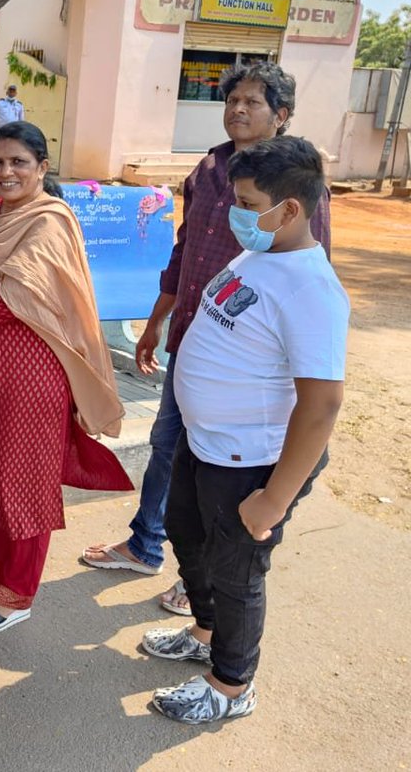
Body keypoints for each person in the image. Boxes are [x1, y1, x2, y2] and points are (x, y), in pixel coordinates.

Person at [80, 62, 332, 615]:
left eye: (253, 102)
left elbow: (310, 279)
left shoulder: (295, 190)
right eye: (232, 100)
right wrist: (155, 321)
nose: (238, 110)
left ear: (282, 115)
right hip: (192, 338)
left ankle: (209, 588)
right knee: (169, 452)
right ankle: (149, 547)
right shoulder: (210, 167)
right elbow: (184, 248)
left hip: (243, 367)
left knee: (225, 483)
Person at [144, 136, 348, 724]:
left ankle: (231, 685)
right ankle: (205, 633)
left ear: (289, 210)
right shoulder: (259, 254)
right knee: (186, 533)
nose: (235, 212)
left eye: (247, 201)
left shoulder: (312, 289)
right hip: (205, 444)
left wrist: (274, 498)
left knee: (237, 574)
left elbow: (323, 404)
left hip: (250, 464)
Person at [0, 122, 132, 634]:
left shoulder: (49, 221)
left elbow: (20, 300)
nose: (6, 172)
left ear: (42, 168)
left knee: (25, 480)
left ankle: (17, 591)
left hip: (32, 369)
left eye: (19, 162)